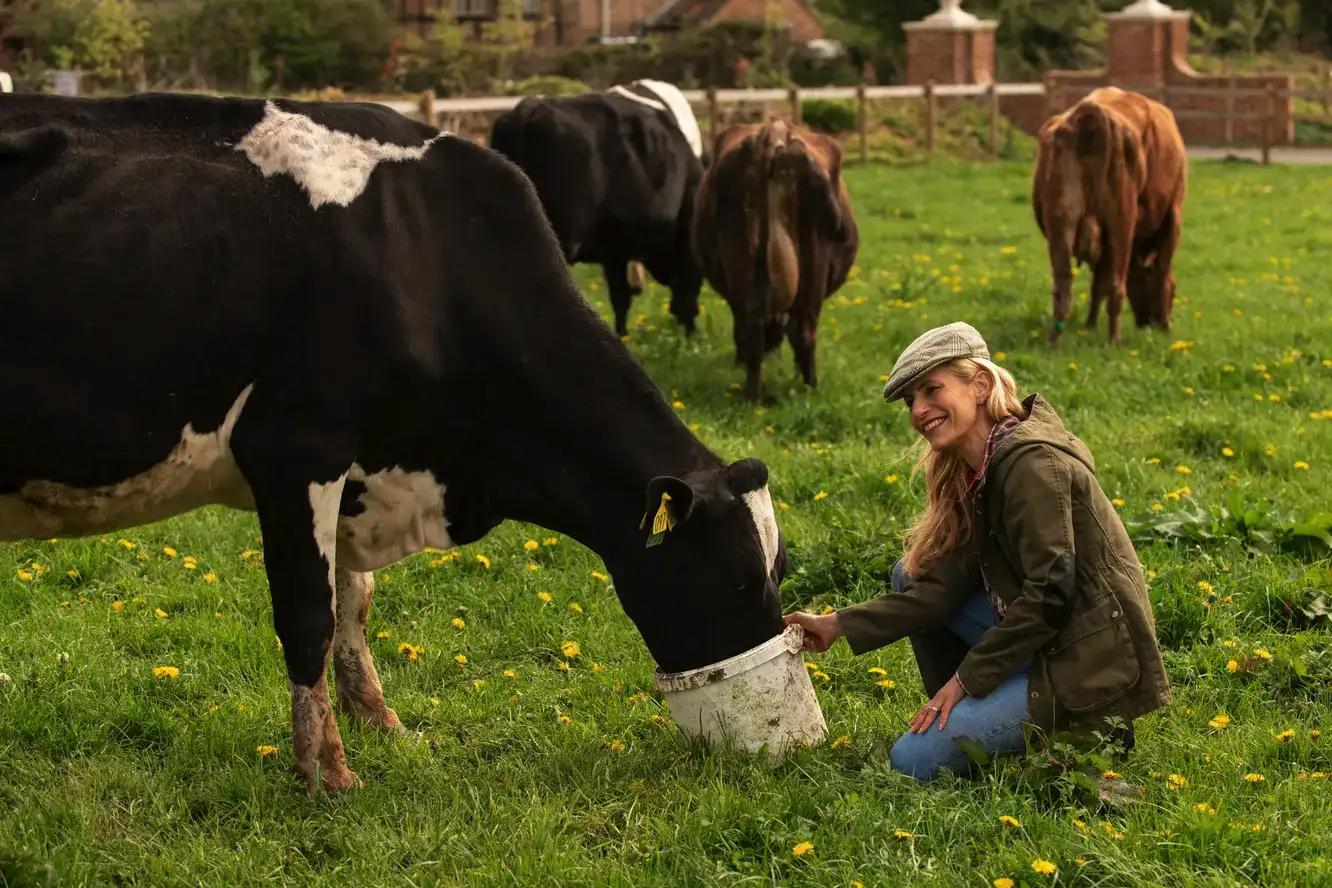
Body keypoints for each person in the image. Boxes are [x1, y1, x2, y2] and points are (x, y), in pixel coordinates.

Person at [784, 322, 1171, 782]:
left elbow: (1050, 595)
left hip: (1084, 662)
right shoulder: (979, 466)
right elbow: (941, 589)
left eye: (932, 390)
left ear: (981, 385)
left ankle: (1091, 727)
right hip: (1046, 640)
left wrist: (966, 678)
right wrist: (838, 624)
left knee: (911, 763)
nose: (919, 410)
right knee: (911, 574)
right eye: (911, 400)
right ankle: (974, 711)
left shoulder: (1031, 465)